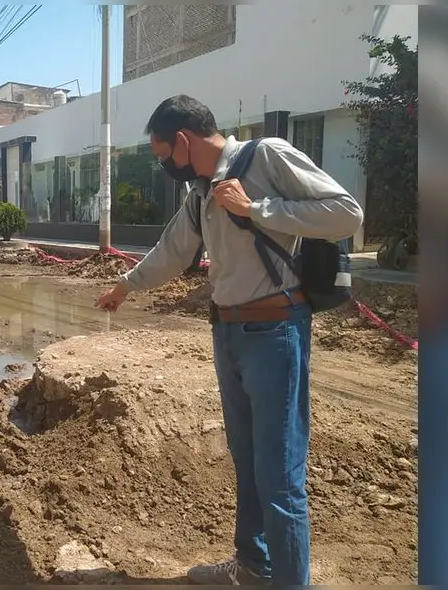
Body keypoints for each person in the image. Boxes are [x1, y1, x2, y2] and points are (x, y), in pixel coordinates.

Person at [96, 95, 363, 585]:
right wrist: (125, 286)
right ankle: (253, 566)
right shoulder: (200, 191)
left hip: (275, 332)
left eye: (162, 155)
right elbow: (173, 250)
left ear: (183, 140)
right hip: (229, 332)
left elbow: (345, 213)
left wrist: (256, 207)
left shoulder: (268, 156)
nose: (163, 165)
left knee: (280, 476)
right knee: (246, 461)